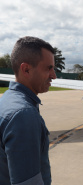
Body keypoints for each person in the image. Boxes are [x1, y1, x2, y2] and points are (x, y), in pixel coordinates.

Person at [0, 36, 56, 185]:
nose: (54, 76)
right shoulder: (23, 114)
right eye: (49, 68)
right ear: (26, 69)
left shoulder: (6, 100)